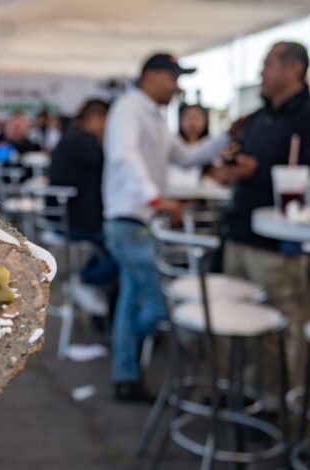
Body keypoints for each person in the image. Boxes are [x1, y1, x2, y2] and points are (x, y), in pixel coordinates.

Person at [102, 53, 231, 402]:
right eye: (173, 78)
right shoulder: (129, 108)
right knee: (162, 301)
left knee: (133, 301)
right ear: (151, 76)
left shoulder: (154, 116)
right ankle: (125, 353)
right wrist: (157, 200)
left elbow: (187, 158)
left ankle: (125, 372)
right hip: (130, 221)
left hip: (138, 220)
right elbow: (123, 157)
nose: (177, 87)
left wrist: (227, 136)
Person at [210, 41, 310, 392]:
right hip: (239, 230)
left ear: (293, 69)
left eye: (268, 65)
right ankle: (242, 394)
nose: (261, 74)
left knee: (280, 328)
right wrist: (232, 170)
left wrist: (261, 171)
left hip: (279, 244)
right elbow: (236, 160)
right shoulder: (255, 118)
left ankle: (280, 409)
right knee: (237, 323)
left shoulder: (304, 116)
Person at [49, 99, 116, 315]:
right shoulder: (87, 144)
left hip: (61, 219)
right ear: (97, 119)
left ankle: (88, 279)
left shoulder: (71, 139)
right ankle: (86, 280)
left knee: (116, 243)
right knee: (124, 248)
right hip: (77, 222)